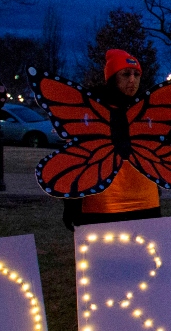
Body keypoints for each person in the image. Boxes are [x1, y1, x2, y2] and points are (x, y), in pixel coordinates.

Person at [62, 49, 162, 229]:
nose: (132, 80)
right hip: (103, 205)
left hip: (145, 202)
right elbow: (75, 160)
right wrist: (71, 204)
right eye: (126, 74)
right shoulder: (91, 111)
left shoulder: (146, 110)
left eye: (136, 74)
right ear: (112, 77)